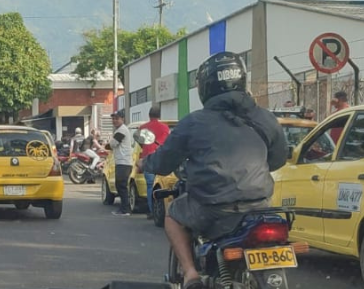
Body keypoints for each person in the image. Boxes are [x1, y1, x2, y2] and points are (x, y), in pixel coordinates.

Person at [136, 51, 288, 289]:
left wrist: (144, 163)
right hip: (259, 207)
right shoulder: (265, 118)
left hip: (214, 208)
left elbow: (164, 162)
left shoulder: (194, 122)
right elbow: (278, 159)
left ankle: (190, 274)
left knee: (173, 215)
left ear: (206, 87)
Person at [139, 106, 171, 220]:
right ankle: (163, 210)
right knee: (163, 186)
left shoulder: (142, 128)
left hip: (148, 159)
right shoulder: (165, 127)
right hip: (162, 160)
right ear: (159, 115)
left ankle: (152, 211)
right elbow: (167, 143)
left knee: (150, 186)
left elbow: (141, 143)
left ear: (149, 115)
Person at [109, 109, 134, 216]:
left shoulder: (122, 130)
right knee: (119, 185)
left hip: (124, 162)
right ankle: (124, 208)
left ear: (122, 119)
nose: (114, 120)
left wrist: (110, 141)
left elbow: (113, 144)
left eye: (117, 118)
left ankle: (125, 209)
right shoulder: (120, 130)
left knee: (121, 186)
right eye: (113, 119)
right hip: (122, 162)